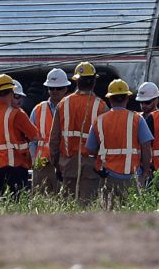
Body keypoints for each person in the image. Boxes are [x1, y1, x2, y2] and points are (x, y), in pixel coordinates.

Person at [86, 79, 152, 208]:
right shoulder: (137, 119)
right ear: (127, 99)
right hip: (132, 178)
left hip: (108, 177)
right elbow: (146, 147)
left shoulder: (99, 121)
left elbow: (90, 149)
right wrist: (144, 172)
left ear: (110, 99)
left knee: (107, 218)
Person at [49, 62, 108, 202]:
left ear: (76, 81)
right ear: (94, 82)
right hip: (91, 167)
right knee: (88, 208)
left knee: (69, 208)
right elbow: (106, 142)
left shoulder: (63, 104)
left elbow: (54, 139)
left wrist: (56, 164)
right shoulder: (101, 106)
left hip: (68, 165)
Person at [0, 74, 38, 194]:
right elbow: (35, 136)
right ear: (11, 92)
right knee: (17, 202)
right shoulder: (17, 113)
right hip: (15, 167)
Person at [30, 68, 70, 193]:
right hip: (42, 166)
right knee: (40, 203)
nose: (54, 91)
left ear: (66, 89)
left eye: (58, 88)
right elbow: (32, 140)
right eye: (51, 88)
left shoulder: (70, 109)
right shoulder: (38, 109)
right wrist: (33, 161)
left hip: (63, 164)